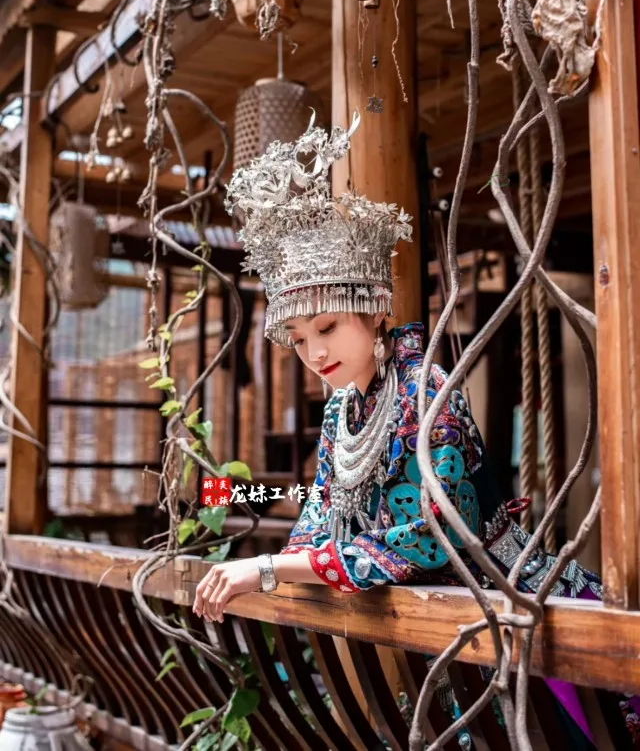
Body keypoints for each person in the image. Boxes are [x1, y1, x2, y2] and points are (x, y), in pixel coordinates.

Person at [192, 114, 640, 747]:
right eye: (297, 340)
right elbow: (316, 511)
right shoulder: (340, 409)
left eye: (327, 328)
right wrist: (257, 557)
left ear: (374, 313)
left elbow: (431, 540)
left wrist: (265, 567)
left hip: (507, 613)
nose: (313, 353)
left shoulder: (430, 396)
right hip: (431, 635)